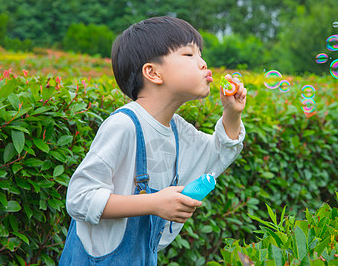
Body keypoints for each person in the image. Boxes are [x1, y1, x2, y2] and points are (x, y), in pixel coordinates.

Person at [59, 16, 247, 265]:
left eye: (201, 55)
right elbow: (79, 198)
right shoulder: (124, 125)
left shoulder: (178, 130)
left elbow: (219, 153)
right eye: (189, 55)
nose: (203, 64)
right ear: (153, 73)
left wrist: (232, 114)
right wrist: (154, 202)